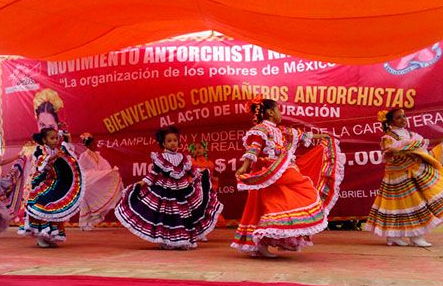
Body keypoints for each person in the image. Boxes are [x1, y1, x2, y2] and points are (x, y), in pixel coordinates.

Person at [233, 96, 345, 258]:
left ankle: (274, 240)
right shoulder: (261, 129)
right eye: (278, 109)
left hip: (280, 169)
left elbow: (302, 136)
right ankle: (261, 243)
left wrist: (324, 137)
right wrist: (244, 167)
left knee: (275, 203)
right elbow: (254, 149)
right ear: (270, 112)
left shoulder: (281, 130)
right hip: (270, 169)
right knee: (300, 190)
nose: (280, 113)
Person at [115, 126, 223, 250]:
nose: (173, 143)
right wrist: (142, 183)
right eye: (169, 141)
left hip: (182, 190)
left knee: (183, 215)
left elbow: (191, 171)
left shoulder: (183, 158)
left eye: (175, 140)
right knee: (167, 216)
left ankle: (183, 240)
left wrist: (203, 176)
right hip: (166, 190)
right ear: (163, 143)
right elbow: (153, 174)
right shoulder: (160, 158)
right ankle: (167, 241)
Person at [364, 108, 443, 246]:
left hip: (409, 174)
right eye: (398, 117)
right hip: (398, 177)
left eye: (404, 116)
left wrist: (440, 140)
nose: (403, 119)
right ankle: (414, 237)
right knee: (408, 205)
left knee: (400, 207)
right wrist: (401, 150)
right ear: (390, 122)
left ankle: (395, 237)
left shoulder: (409, 134)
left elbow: (422, 143)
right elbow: (390, 154)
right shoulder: (388, 138)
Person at [18, 128, 84, 247]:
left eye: (56, 138)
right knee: (41, 207)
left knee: (53, 209)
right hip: (40, 184)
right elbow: (41, 165)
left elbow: (69, 151)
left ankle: (50, 237)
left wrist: (67, 139)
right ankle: (41, 237)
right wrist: (53, 157)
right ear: (44, 139)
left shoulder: (58, 150)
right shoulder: (40, 150)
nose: (55, 141)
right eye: (51, 138)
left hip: (53, 184)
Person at [77, 132, 123, 230]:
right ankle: (84, 224)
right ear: (87, 145)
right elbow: (81, 170)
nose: (95, 145)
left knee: (93, 203)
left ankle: (89, 223)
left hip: (96, 182)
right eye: (92, 144)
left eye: (95, 143)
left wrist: (108, 174)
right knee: (86, 203)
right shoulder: (84, 156)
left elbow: (105, 168)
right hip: (88, 182)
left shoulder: (98, 156)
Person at [190, 141, 226, 229]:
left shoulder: (210, 164)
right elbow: (189, 175)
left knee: (219, 220)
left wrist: (214, 180)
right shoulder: (191, 162)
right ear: (192, 151)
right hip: (195, 190)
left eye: (199, 148)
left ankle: (209, 221)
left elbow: (211, 177)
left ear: (205, 150)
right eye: (195, 149)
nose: (197, 150)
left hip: (206, 190)